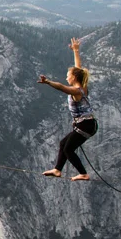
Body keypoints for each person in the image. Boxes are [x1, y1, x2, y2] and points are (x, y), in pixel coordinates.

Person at [38, 37, 96, 181]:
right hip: (86, 124)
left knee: (68, 149)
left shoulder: (77, 91)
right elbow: (78, 68)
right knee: (63, 144)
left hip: (86, 125)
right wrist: (76, 50)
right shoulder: (82, 86)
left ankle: (83, 173)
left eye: (68, 76)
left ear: (74, 78)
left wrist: (48, 82)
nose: (66, 77)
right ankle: (58, 169)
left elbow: (62, 88)